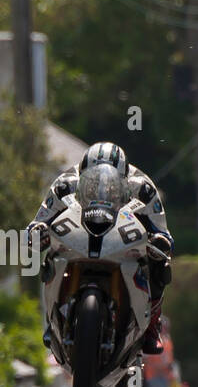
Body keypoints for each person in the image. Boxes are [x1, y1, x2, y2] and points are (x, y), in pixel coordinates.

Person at [28, 141, 173, 354]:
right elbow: (38, 220)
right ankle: (52, 319)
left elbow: (163, 232)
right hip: (79, 237)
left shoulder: (143, 188)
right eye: (93, 180)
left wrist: (160, 241)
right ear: (81, 175)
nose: (103, 186)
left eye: (111, 182)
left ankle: (152, 327)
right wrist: (38, 231)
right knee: (50, 257)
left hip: (124, 242)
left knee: (161, 264)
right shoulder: (64, 184)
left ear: (124, 179)